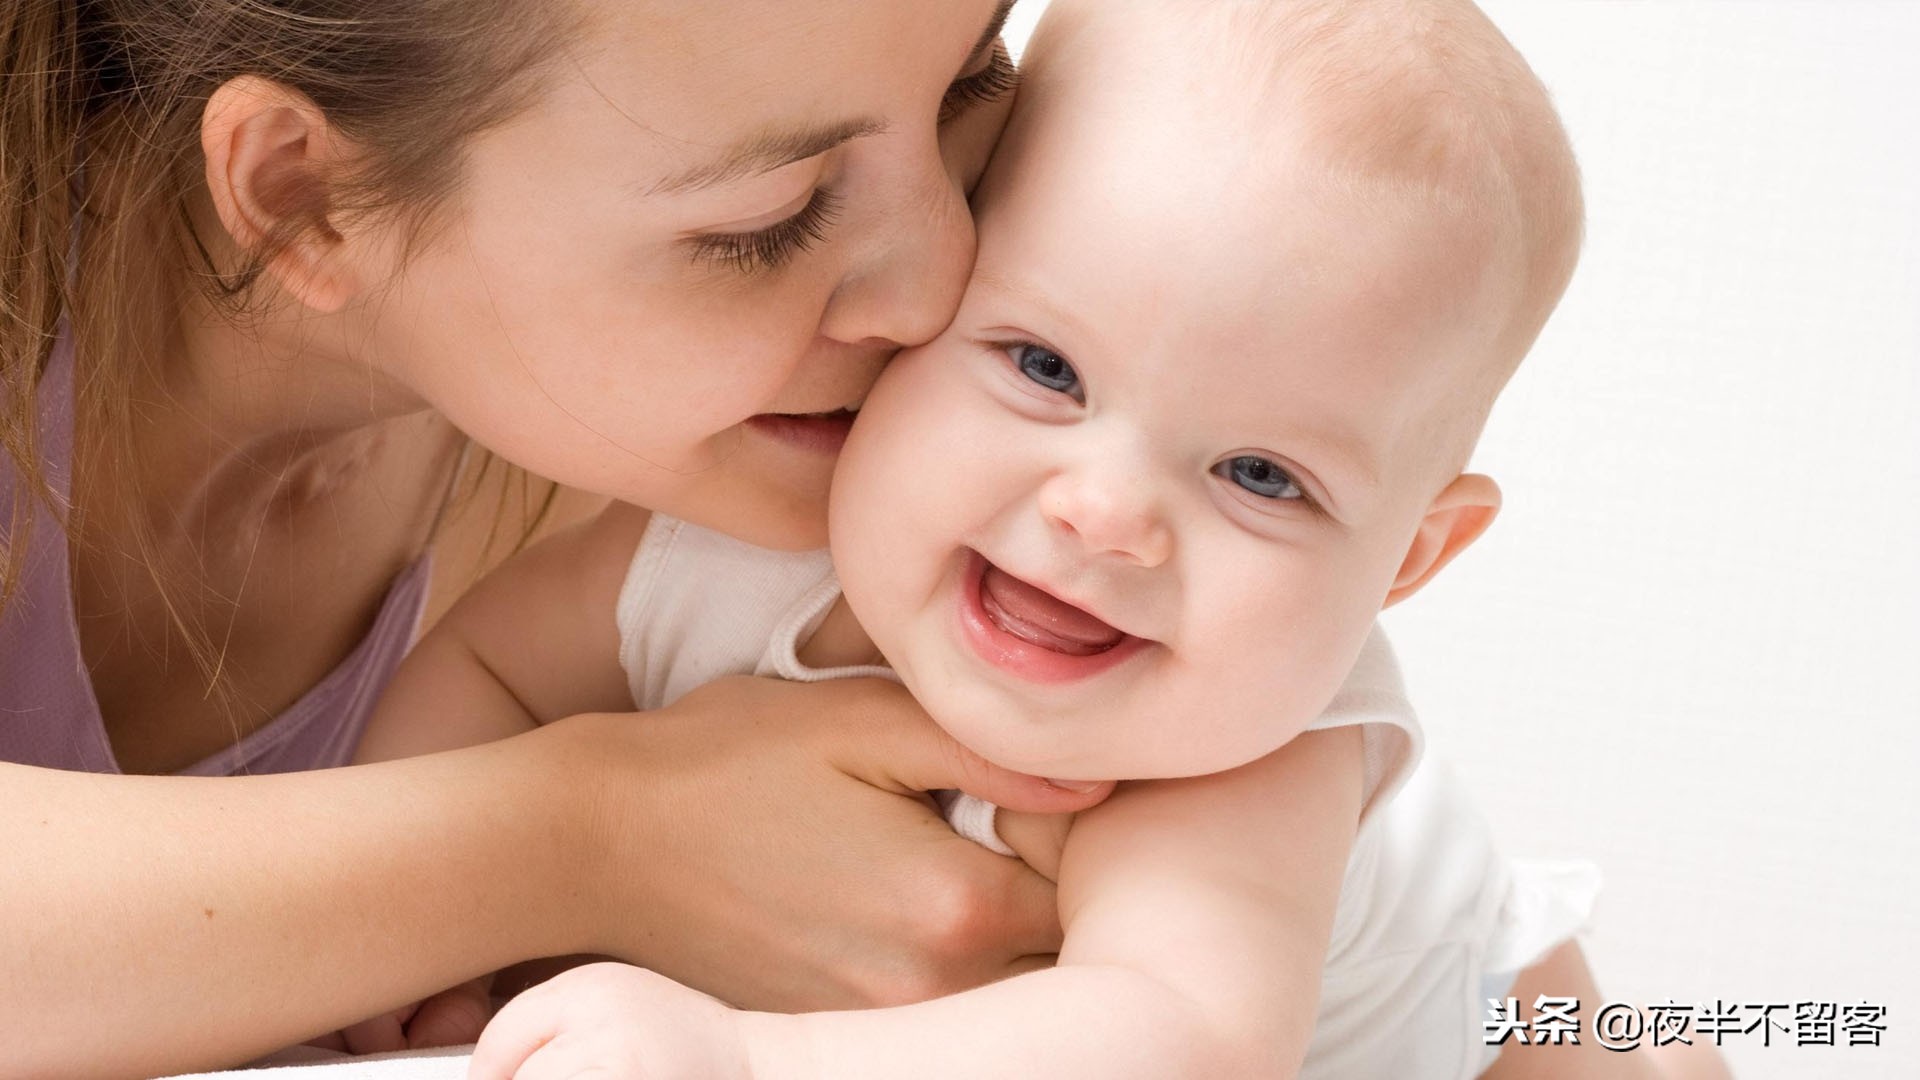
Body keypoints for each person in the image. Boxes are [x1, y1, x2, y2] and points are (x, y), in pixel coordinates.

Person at [359, 1, 1730, 1076]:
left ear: (1410, 560)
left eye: (1261, 474)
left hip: (1486, 1025)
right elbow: (489, 672)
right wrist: (413, 947)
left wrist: (749, 1057)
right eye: (1043, 368)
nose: (1107, 513)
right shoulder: (722, 546)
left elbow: (1177, 1035)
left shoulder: (1247, 750)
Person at [0, 1, 1124, 1075]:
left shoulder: (690, 459)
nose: (941, 286)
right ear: (303, 193)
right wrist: (598, 839)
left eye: (971, 77)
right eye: (768, 221)